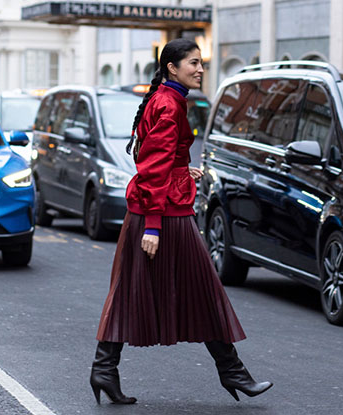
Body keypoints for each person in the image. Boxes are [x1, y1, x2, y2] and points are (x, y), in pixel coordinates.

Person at [90, 38, 273, 405]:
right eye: (193, 62)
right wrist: (154, 226)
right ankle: (232, 372)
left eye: (201, 62)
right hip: (163, 215)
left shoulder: (167, 99)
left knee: (132, 290)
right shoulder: (169, 105)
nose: (200, 69)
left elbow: (156, 160)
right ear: (172, 67)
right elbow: (151, 168)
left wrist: (180, 167)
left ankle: (104, 370)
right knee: (202, 290)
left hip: (157, 209)